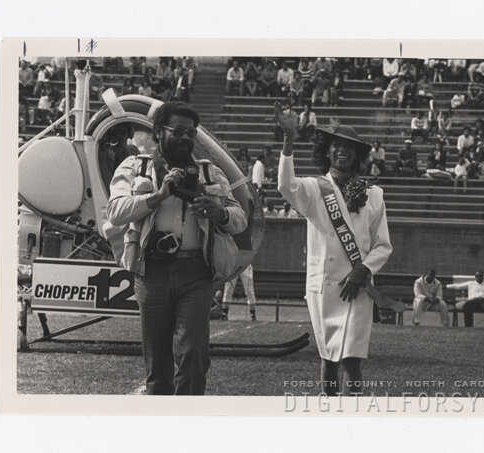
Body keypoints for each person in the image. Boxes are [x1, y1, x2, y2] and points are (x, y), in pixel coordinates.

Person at [106, 102, 248, 395]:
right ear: (158, 132)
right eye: (179, 131)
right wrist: (158, 196)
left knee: (194, 354)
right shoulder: (136, 166)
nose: (186, 138)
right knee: (157, 360)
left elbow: (239, 220)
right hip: (152, 271)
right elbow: (115, 212)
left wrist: (218, 212)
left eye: (192, 133)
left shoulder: (209, 172)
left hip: (196, 272)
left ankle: (189, 418)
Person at [275, 102, 392, 396]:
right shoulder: (313, 189)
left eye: (350, 148)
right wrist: (289, 140)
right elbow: (285, 185)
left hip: (357, 286)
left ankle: (352, 412)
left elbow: (383, 244)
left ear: (357, 155)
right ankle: (328, 409)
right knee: (328, 358)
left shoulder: (374, 194)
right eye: (337, 146)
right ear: (326, 151)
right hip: (324, 288)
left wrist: (362, 270)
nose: (343, 151)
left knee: (352, 359)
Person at [98, 123, 139, 189]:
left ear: (129, 133)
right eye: (115, 133)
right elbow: (109, 179)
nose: (120, 136)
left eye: (122, 132)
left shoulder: (134, 150)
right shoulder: (108, 153)